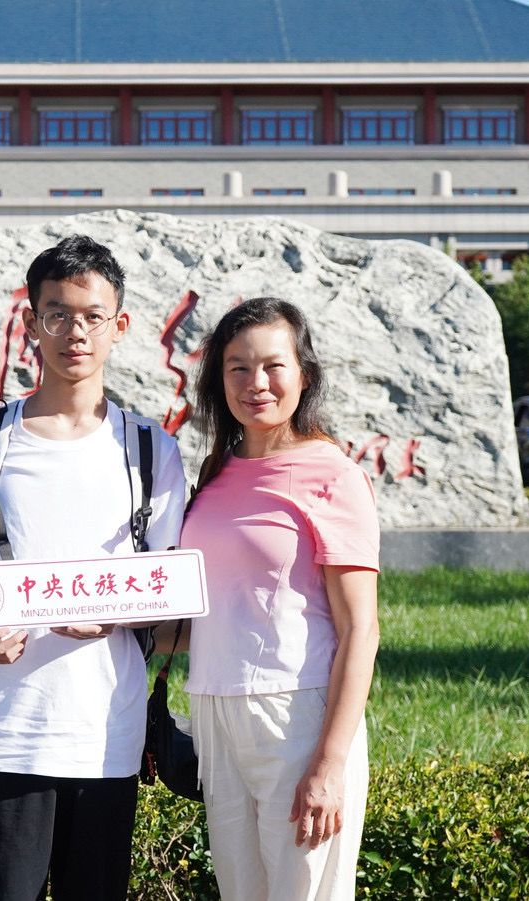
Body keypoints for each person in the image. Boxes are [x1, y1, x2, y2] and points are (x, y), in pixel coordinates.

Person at [0, 235, 186, 899]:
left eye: (93, 316)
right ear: (31, 322)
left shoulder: (152, 451)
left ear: (119, 326)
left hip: (105, 735)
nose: (76, 332)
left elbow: (168, 595)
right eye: (58, 314)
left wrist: (116, 613)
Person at [178, 298, 381, 901]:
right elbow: (212, 611)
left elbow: (361, 629)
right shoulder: (215, 473)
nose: (256, 383)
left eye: (273, 366)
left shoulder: (332, 475)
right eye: (237, 368)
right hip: (213, 710)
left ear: (304, 374)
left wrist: (330, 763)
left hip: (296, 713)